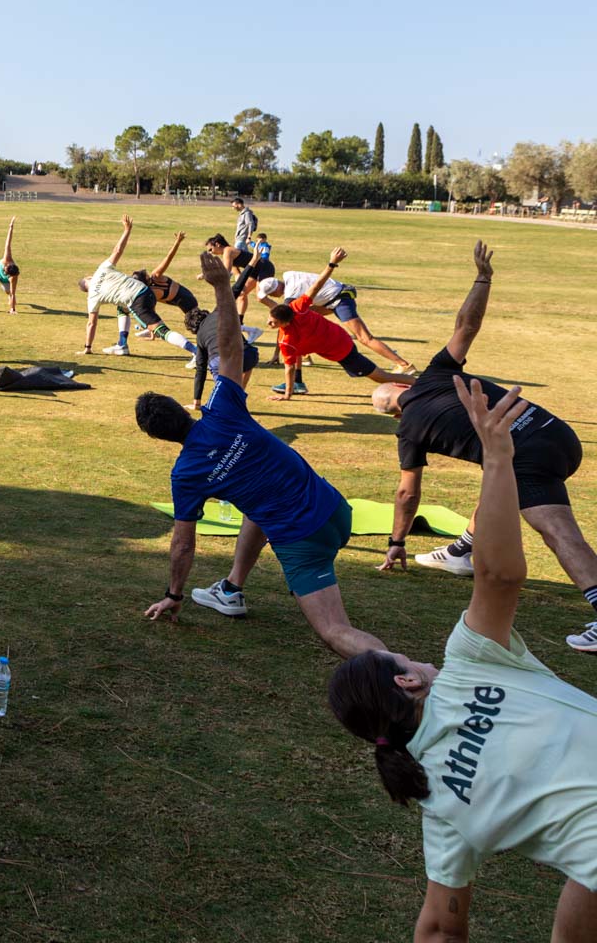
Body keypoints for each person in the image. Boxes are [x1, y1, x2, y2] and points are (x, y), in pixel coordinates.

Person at [328, 378, 597, 942]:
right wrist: (499, 462)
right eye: (407, 658)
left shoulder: (439, 804)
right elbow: (498, 575)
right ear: (406, 681)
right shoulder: (468, 666)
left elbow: (440, 930)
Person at [135, 252, 387, 658]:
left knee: (336, 632)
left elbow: (183, 545)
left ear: (157, 439)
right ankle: (232, 589)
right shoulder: (222, 409)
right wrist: (220, 287)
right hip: (337, 511)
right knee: (256, 502)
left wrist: (173, 595)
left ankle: (410, 676)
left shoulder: (186, 475)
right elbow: (233, 350)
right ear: (185, 410)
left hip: (304, 538)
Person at [374, 242, 597, 650]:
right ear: (402, 387)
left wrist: (397, 543)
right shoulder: (434, 374)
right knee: (497, 482)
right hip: (557, 431)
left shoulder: (409, 431)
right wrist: (483, 277)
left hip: (528, 451)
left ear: (395, 413)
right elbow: (466, 325)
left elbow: (408, 492)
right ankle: (461, 551)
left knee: (558, 532)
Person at [260, 250, 413, 400]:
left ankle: (414, 376)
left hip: (341, 346)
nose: (269, 323)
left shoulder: (287, 338)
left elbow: (289, 367)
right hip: (337, 334)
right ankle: (299, 381)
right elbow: (315, 286)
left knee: (380, 374)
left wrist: (287, 394)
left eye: (273, 322)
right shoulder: (298, 307)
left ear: (285, 323)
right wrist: (331, 263)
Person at [81, 218, 201, 359]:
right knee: (122, 308)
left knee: (162, 331)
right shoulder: (101, 270)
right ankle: (122, 344)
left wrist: (87, 347)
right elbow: (118, 250)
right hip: (144, 291)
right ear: (89, 277)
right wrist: (127, 230)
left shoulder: (92, 296)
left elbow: (91, 323)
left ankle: (196, 352)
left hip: (139, 299)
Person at [186, 303, 263, 412]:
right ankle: (238, 397)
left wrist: (196, 402)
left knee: (222, 392)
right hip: (249, 355)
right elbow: (234, 291)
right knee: (246, 359)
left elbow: (201, 369)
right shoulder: (218, 313)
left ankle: (226, 402)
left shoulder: (200, 336)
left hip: (221, 362)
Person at [205, 233, 275, 322]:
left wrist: (207, 274)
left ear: (218, 245)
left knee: (260, 297)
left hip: (265, 267)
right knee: (241, 293)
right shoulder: (228, 253)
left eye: (211, 249)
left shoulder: (228, 251)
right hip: (255, 271)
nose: (210, 253)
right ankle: (240, 321)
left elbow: (226, 271)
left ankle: (282, 311)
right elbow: (236, 274)